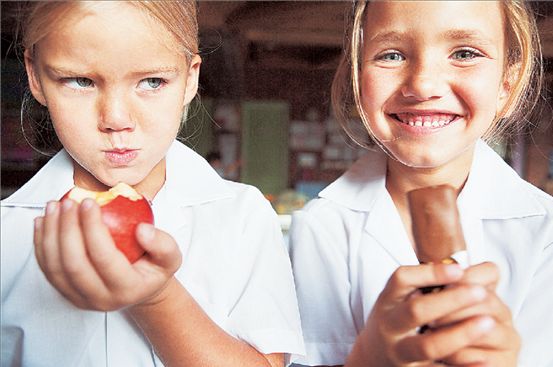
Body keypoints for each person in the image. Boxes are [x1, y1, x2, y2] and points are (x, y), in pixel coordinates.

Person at [1, 2, 304, 366]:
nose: (116, 119)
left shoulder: (242, 217)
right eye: (80, 81)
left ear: (190, 78)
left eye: (152, 81)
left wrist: (156, 297)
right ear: (35, 75)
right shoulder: (6, 232)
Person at [289, 1, 552, 366]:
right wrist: (366, 358)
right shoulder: (320, 228)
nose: (423, 85)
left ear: (506, 85)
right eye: (392, 55)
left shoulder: (545, 237)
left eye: (464, 52)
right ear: (357, 77)